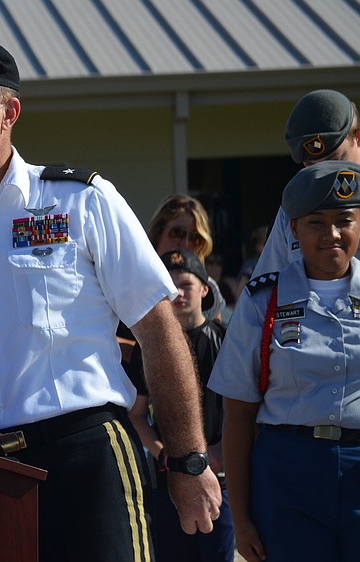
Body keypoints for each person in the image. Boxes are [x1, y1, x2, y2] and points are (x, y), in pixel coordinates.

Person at [0, 32, 221, 562]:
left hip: (87, 455)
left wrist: (189, 459)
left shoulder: (82, 201)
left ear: (9, 112)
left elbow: (157, 329)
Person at [209, 161, 360, 562]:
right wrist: (240, 518)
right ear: (292, 229)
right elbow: (238, 413)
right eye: (315, 222)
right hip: (289, 473)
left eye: (344, 220)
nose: (331, 234)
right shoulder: (264, 301)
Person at [128, 248, 234, 562]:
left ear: (205, 288)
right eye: (169, 286)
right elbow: (136, 415)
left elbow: (240, 411)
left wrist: (219, 451)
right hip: (167, 481)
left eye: (185, 284)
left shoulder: (225, 341)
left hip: (221, 479)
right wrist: (165, 452)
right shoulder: (148, 348)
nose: (177, 294)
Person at [252, 89, 360, 277]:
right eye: (312, 167)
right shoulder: (295, 207)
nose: (323, 176)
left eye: (334, 162)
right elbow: (266, 290)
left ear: (358, 137)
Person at [147, 194, 226, 322]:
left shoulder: (209, 289)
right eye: (177, 233)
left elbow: (215, 338)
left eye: (195, 238)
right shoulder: (135, 280)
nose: (185, 244)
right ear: (158, 233)